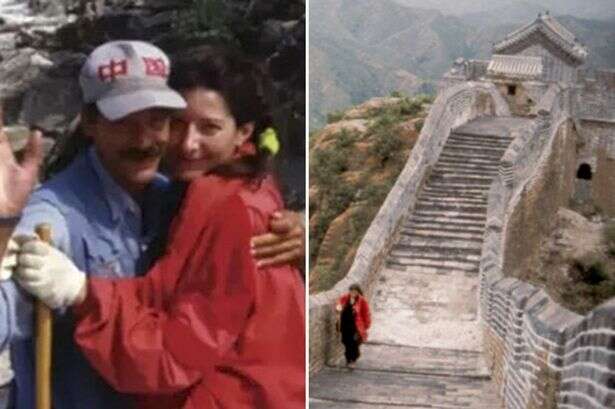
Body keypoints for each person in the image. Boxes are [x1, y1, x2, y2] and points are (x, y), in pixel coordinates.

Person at [0, 40, 304, 409]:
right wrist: (5, 225)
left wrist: (297, 238)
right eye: (124, 123)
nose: (145, 140)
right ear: (91, 123)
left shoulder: (182, 198)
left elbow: (185, 325)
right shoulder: (54, 217)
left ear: (243, 133)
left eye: (159, 121)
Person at [336, 284, 371, 368]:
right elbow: (339, 304)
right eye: (351, 291)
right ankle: (349, 359)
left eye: (355, 291)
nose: (353, 293)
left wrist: (366, 325)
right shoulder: (345, 298)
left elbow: (366, 314)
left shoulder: (362, 301)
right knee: (346, 342)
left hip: (355, 326)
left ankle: (352, 360)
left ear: (358, 292)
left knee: (353, 342)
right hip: (345, 324)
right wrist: (338, 307)